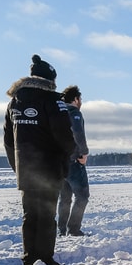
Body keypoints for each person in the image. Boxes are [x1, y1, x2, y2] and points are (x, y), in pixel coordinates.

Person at [4, 54, 76, 265]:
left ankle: (29, 257)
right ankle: (44, 259)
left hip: (25, 169)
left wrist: (17, 167)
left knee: (30, 215)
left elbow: (8, 140)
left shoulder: (13, 102)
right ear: (50, 80)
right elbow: (64, 135)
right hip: (49, 168)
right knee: (46, 215)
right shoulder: (53, 101)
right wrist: (68, 157)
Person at [57, 84, 90, 236]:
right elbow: (77, 132)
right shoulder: (74, 112)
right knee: (82, 196)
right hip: (73, 161)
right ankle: (74, 229)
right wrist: (83, 153)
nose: (81, 101)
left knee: (65, 198)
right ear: (76, 99)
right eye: (80, 98)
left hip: (60, 162)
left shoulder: (58, 112)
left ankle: (62, 229)